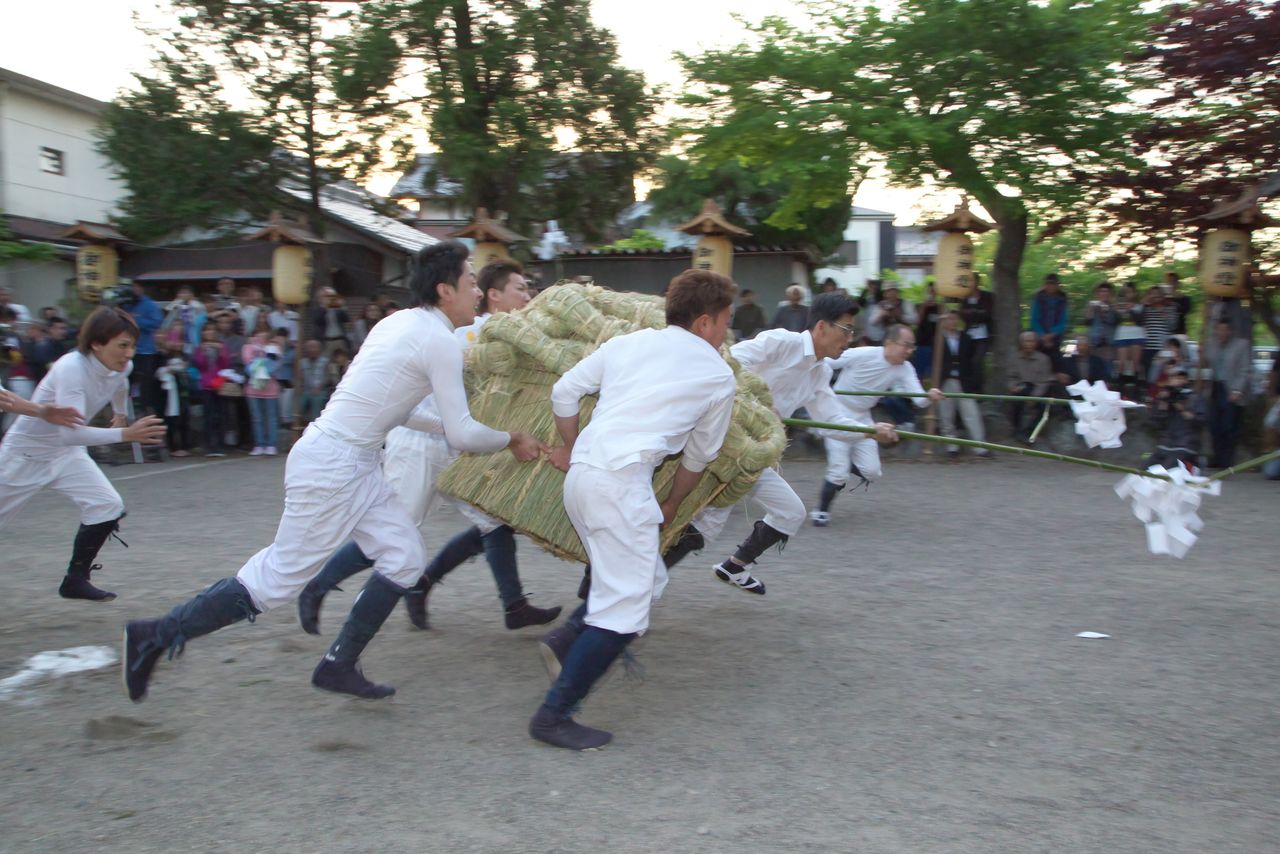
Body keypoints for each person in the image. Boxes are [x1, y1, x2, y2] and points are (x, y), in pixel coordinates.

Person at [122, 240, 547, 703]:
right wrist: (512, 439)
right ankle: (155, 635)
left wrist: (460, 430)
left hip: (350, 460)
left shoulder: (401, 323)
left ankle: (338, 664)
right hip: (335, 465)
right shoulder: (438, 339)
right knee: (277, 578)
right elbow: (463, 434)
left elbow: (403, 413)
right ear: (445, 290)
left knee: (404, 556)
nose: (477, 294)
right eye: (470, 283)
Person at [530, 269, 739, 750]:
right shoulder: (716, 375)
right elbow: (698, 458)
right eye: (726, 321)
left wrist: (570, 444)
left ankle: (565, 645)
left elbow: (565, 392)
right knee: (626, 611)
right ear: (705, 322)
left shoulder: (629, 343)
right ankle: (554, 715)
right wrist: (671, 503)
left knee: (641, 583)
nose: (727, 332)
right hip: (621, 486)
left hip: (583, 478)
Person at [298, 259, 559, 634]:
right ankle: (319, 586)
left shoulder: (500, 334)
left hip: (460, 445)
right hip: (419, 445)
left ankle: (509, 604)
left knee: (494, 523)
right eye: (520, 288)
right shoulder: (463, 334)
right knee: (397, 531)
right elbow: (412, 412)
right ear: (493, 295)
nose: (528, 295)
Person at [695, 293, 898, 592]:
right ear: (821, 327)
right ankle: (640, 584)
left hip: (755, 453)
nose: (849, 338)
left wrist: (870, 431)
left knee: (790, 512)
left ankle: (735, 566)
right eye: (846, 329)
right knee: (707, 521)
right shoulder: (782, 342)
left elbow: (833, 421)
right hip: (724, 440)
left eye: (852, 331)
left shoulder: (821, 372)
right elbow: (733, 359)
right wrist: (759, 403)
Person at [0, 307, 166, 601]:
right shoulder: (71, 369)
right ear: (97, 344)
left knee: (107, 505)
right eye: (123, 345)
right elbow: (71, 432)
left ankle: (76, 580)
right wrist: (125, 435)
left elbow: (120, 383)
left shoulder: (121, 367)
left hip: (65, 455)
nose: (129, 354)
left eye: (132, 346)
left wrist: (119, 413)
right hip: (25, 455)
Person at [810, 324, 941, 526]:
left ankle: (846, 464)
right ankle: (821, 512)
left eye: (912, 347)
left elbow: (919, 400)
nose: (909, 351)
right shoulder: (864, 354)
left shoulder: (905, 369)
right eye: (906, 345)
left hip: (863, 417)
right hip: (837, 411)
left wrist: (930, 395)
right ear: (889, 342)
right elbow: (828, 362)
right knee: (838, 471)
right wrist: (818, 387)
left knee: (872, 472)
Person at [936, 311, 990, 457]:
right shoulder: (938, 339)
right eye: (949, 319)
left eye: (954, 318)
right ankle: (951, 446)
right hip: (945, 379)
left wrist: (974, 381)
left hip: (963, 380)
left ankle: (980, 446)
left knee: (971, 413)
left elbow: (972, 361)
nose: (952, 322)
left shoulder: (966, 338)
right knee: (946, 414)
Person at [1202, 319, 1250, 469]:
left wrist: (1237, 390)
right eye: (1219, 330)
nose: (1221, 333)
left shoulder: (1241, 345)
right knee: (1214, 425)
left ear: (1230, 331)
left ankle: (1226, 460)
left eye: (1224, 330)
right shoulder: (1212, 345)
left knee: (1228, 426)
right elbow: (1206, 363)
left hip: (1231, 387)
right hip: (1216, 386)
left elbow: (1245, 370)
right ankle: (1216, 457)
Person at [242, 315, 282, 456]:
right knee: (257, 418)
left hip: (270, 387)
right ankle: (259, 444)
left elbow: (275, 365)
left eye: (265, 329)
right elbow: (248, 365)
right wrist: (260, 363)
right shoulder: (248, 347)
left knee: (271, 417)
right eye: (259, 329)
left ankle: (271, 444)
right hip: (253, 387)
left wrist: (261, 365)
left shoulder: (274, 347)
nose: (262, 333)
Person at [192, 324, 231, 457]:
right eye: (207, 330)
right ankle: (210, 446)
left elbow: (225, 363)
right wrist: (203, 352)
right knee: (208, 416)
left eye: (212, 330)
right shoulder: (199, 348)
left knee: (221, 416)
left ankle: (220, 445)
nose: (209, 332)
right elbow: (200, 364)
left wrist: (220, 351)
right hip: (206, 385)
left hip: (219, 384)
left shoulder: (222, 346)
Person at [1007, 330, 1054, 441]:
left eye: (1032, 341)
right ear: (1021, 343)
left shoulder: (1043, 359)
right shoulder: (1015, 358)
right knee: (1016, 399)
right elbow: (1010, 376)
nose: (1029, 344)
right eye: (1026, 341)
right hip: (1021, 388)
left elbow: (1043, 382)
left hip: (1037, 390)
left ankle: (1029, 432)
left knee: (1045, 406)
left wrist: (1034, 397)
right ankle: (1016, 430)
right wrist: (1012, 386)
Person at [126, 281, 164, 414]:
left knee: (146, 385)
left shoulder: (149, 305)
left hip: (146, 351)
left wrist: (135, 320)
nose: (133, 289)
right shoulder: (126, 303)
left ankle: (145, 410)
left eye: (135, 287)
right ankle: (126, 411)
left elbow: (156, 323)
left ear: (141, 288)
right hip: (127, 350)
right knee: (125, 382)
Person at [155, 340, 193, 457]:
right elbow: (159, 375)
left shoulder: (186, 359)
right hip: (168, 397)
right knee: (171, 422)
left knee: (184, 420)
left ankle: (184, 446)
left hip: (183, 395)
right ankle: (173, 447)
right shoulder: (162, 360)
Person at [959, 272, 995, 389]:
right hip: (969, 333)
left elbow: (987, 314)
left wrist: (973, 312)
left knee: (977, 361)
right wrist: (977, 312)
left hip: (983, 335)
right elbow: (963, 315)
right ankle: (968, 388)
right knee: (966, 360)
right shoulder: (965, 297)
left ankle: (979, 390)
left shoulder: (987, 296)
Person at [1112, 284, 1145, 397]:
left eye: (1131, 292)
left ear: (1135, 293)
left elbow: (1140, 321)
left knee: (1136, 363)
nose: (1128, 294)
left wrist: (1131, 310)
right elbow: (1116, 320)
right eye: (1126, 292)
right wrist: (1117, 310)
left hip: (1136, 334)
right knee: (1122, 363)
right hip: (1122, 335)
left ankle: (1136, 388)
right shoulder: (1118, 304)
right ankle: (1119, 389)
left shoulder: (1139, 305)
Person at [1083, 282, 1119, 365]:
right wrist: (1093, 309)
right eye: (1101, 291)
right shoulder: (1092, 304)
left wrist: (1108, 310)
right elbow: (1087, 320)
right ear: (1097, 293)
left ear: (1110, 293)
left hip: (1109, 344)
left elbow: (1115, 321)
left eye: (1107, 291)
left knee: (1107, 371)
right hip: (1094, 343)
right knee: (1094, 372)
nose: (1104, 294)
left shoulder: (1114, 307)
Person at [298, 339, 332, 426]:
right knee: (299, 402)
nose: (312, 350)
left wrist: (319, 387)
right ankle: (298, 425)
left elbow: (328, 377)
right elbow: (299, 379)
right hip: (306, 390)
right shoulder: (302, 362)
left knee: (317, 399)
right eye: (310, 347)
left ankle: (314, 425)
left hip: (321, 390)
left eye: (314, 347)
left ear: (319, 349)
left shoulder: (325, 362)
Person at [311, 287, 351, 357]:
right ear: (320, 298)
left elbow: (346, 319)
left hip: (340, 339)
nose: (330, 298)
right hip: (326, 341)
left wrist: (342, 307)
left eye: (332, 296)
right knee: (327, 362)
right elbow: (317, 320)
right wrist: (325, 307)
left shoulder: (337, 309)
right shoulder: (317, 309)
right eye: (327, 296)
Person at [1030, 274, 1069, 341]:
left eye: (1053, 283)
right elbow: (1034, 319)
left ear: (1057, 285)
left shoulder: (1062, 299)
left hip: (1056, 338)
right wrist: (1042, 335)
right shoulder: (1038, 297)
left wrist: (1052, 334)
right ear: (1044, 285)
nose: (1050, 286)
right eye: (1048, 283)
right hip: (1039, 337)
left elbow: (1063, 321)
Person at [1164, 272, 1193, 336]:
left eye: (1173, 281)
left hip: (1180, 332)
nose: (1170, 284)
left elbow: (1186, 311)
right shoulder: (1161, 299)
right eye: (1168, 281)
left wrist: (1174, 298)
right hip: (1164, 332)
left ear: (1178, 283)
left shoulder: (1185, 299)